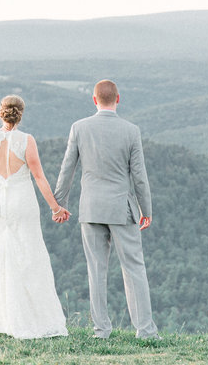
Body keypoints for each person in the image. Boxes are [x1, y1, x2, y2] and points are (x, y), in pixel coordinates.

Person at [53, 79, 159, 339]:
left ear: (94, 99)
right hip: (122, 208)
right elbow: (140, 176)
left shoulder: (79, 128)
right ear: (118, 99)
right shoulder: (131, 131)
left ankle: (101, 330)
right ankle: (145, 330)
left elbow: (67, 169)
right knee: (134, 268)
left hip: (90, 208)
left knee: (96, 270)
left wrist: (59, 204)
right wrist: (146, 209)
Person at [0, 94, 70, 339]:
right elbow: (39, 177)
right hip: (22, 202)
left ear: (1, 112)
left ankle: (6, 318)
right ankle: (32, 317)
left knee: (2, 258)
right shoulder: (26, 141)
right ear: (21, 114)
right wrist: (56, 208)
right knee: (29, 256)